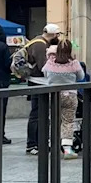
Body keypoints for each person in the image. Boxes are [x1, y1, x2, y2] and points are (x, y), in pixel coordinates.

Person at [12, 23, 61, 155]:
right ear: (53, 34)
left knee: (40, 113)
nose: (58, 37)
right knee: (37, 113)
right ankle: (33, 143)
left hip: (37, 81)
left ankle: (39, 143)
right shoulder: (40, 44)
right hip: (38, 82)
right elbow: (43, 67)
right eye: (58, 34)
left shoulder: (37, 41)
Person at [42, 40, 86, 159]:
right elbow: (81, 77)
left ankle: (52, 145)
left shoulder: (50, 63)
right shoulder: (74, 63)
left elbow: (45, 74)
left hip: (54, 95)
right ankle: (67, 149)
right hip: (70, 95)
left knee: (54, 120)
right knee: (68, 121)